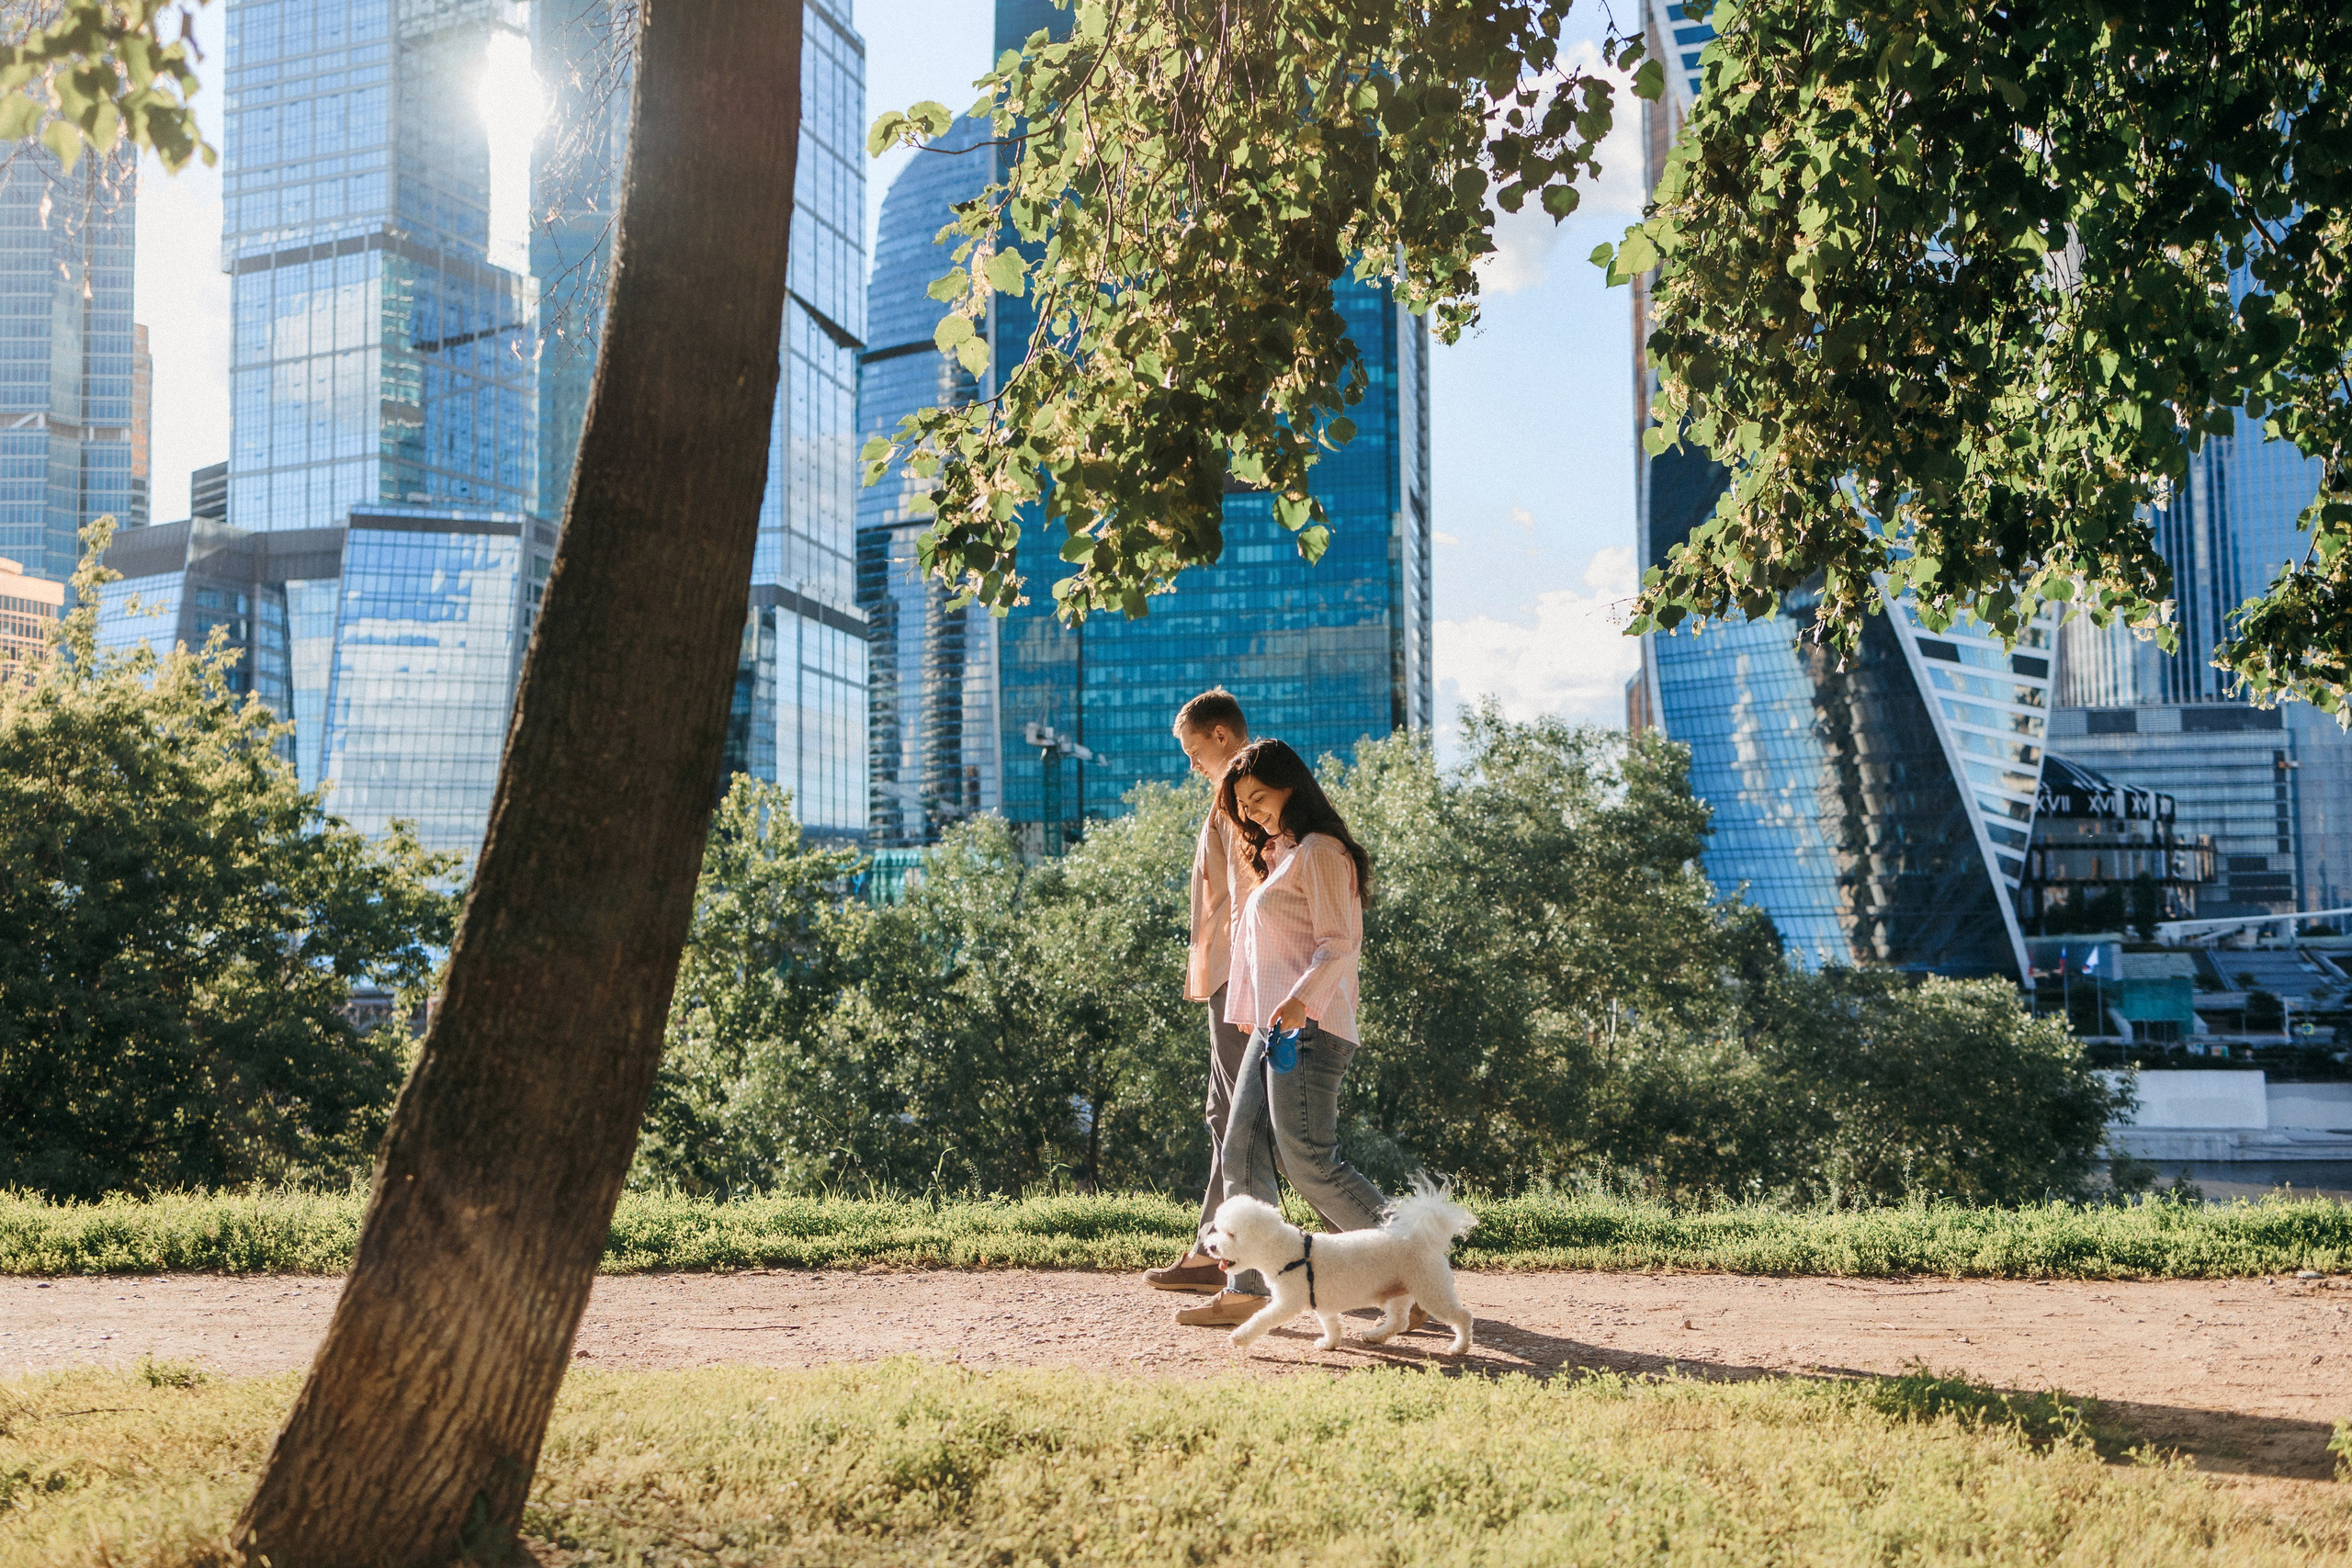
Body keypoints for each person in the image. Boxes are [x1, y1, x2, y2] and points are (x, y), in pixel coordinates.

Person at [1174, 738, 1393, 1328]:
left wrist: (1298, 1002)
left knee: (1310, 1163)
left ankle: (1407, 1258)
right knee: (1240, 1146)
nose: (1250, 812)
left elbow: (1339, 944)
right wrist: (1251, 1010)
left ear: (1293, 787)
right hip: (1270, 1027)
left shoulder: (1322, 852)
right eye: (1242, 804)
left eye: (1260, 798)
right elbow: (1264, 949)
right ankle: (1246, 1287)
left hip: (1309, 1027)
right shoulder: (1283, 855)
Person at [1137, 688, 1255, 1297]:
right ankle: (1216, 1247)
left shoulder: (1245, 792)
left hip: (1241, 979)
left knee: (1252, 1124)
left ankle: (1380, 1254)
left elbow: (1250, 895)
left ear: (1219, 735)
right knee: (1226, 1114)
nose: (1190, 764)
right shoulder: (1228, 794)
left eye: (1191, 750)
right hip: (1225, 977)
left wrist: (1249, 986)